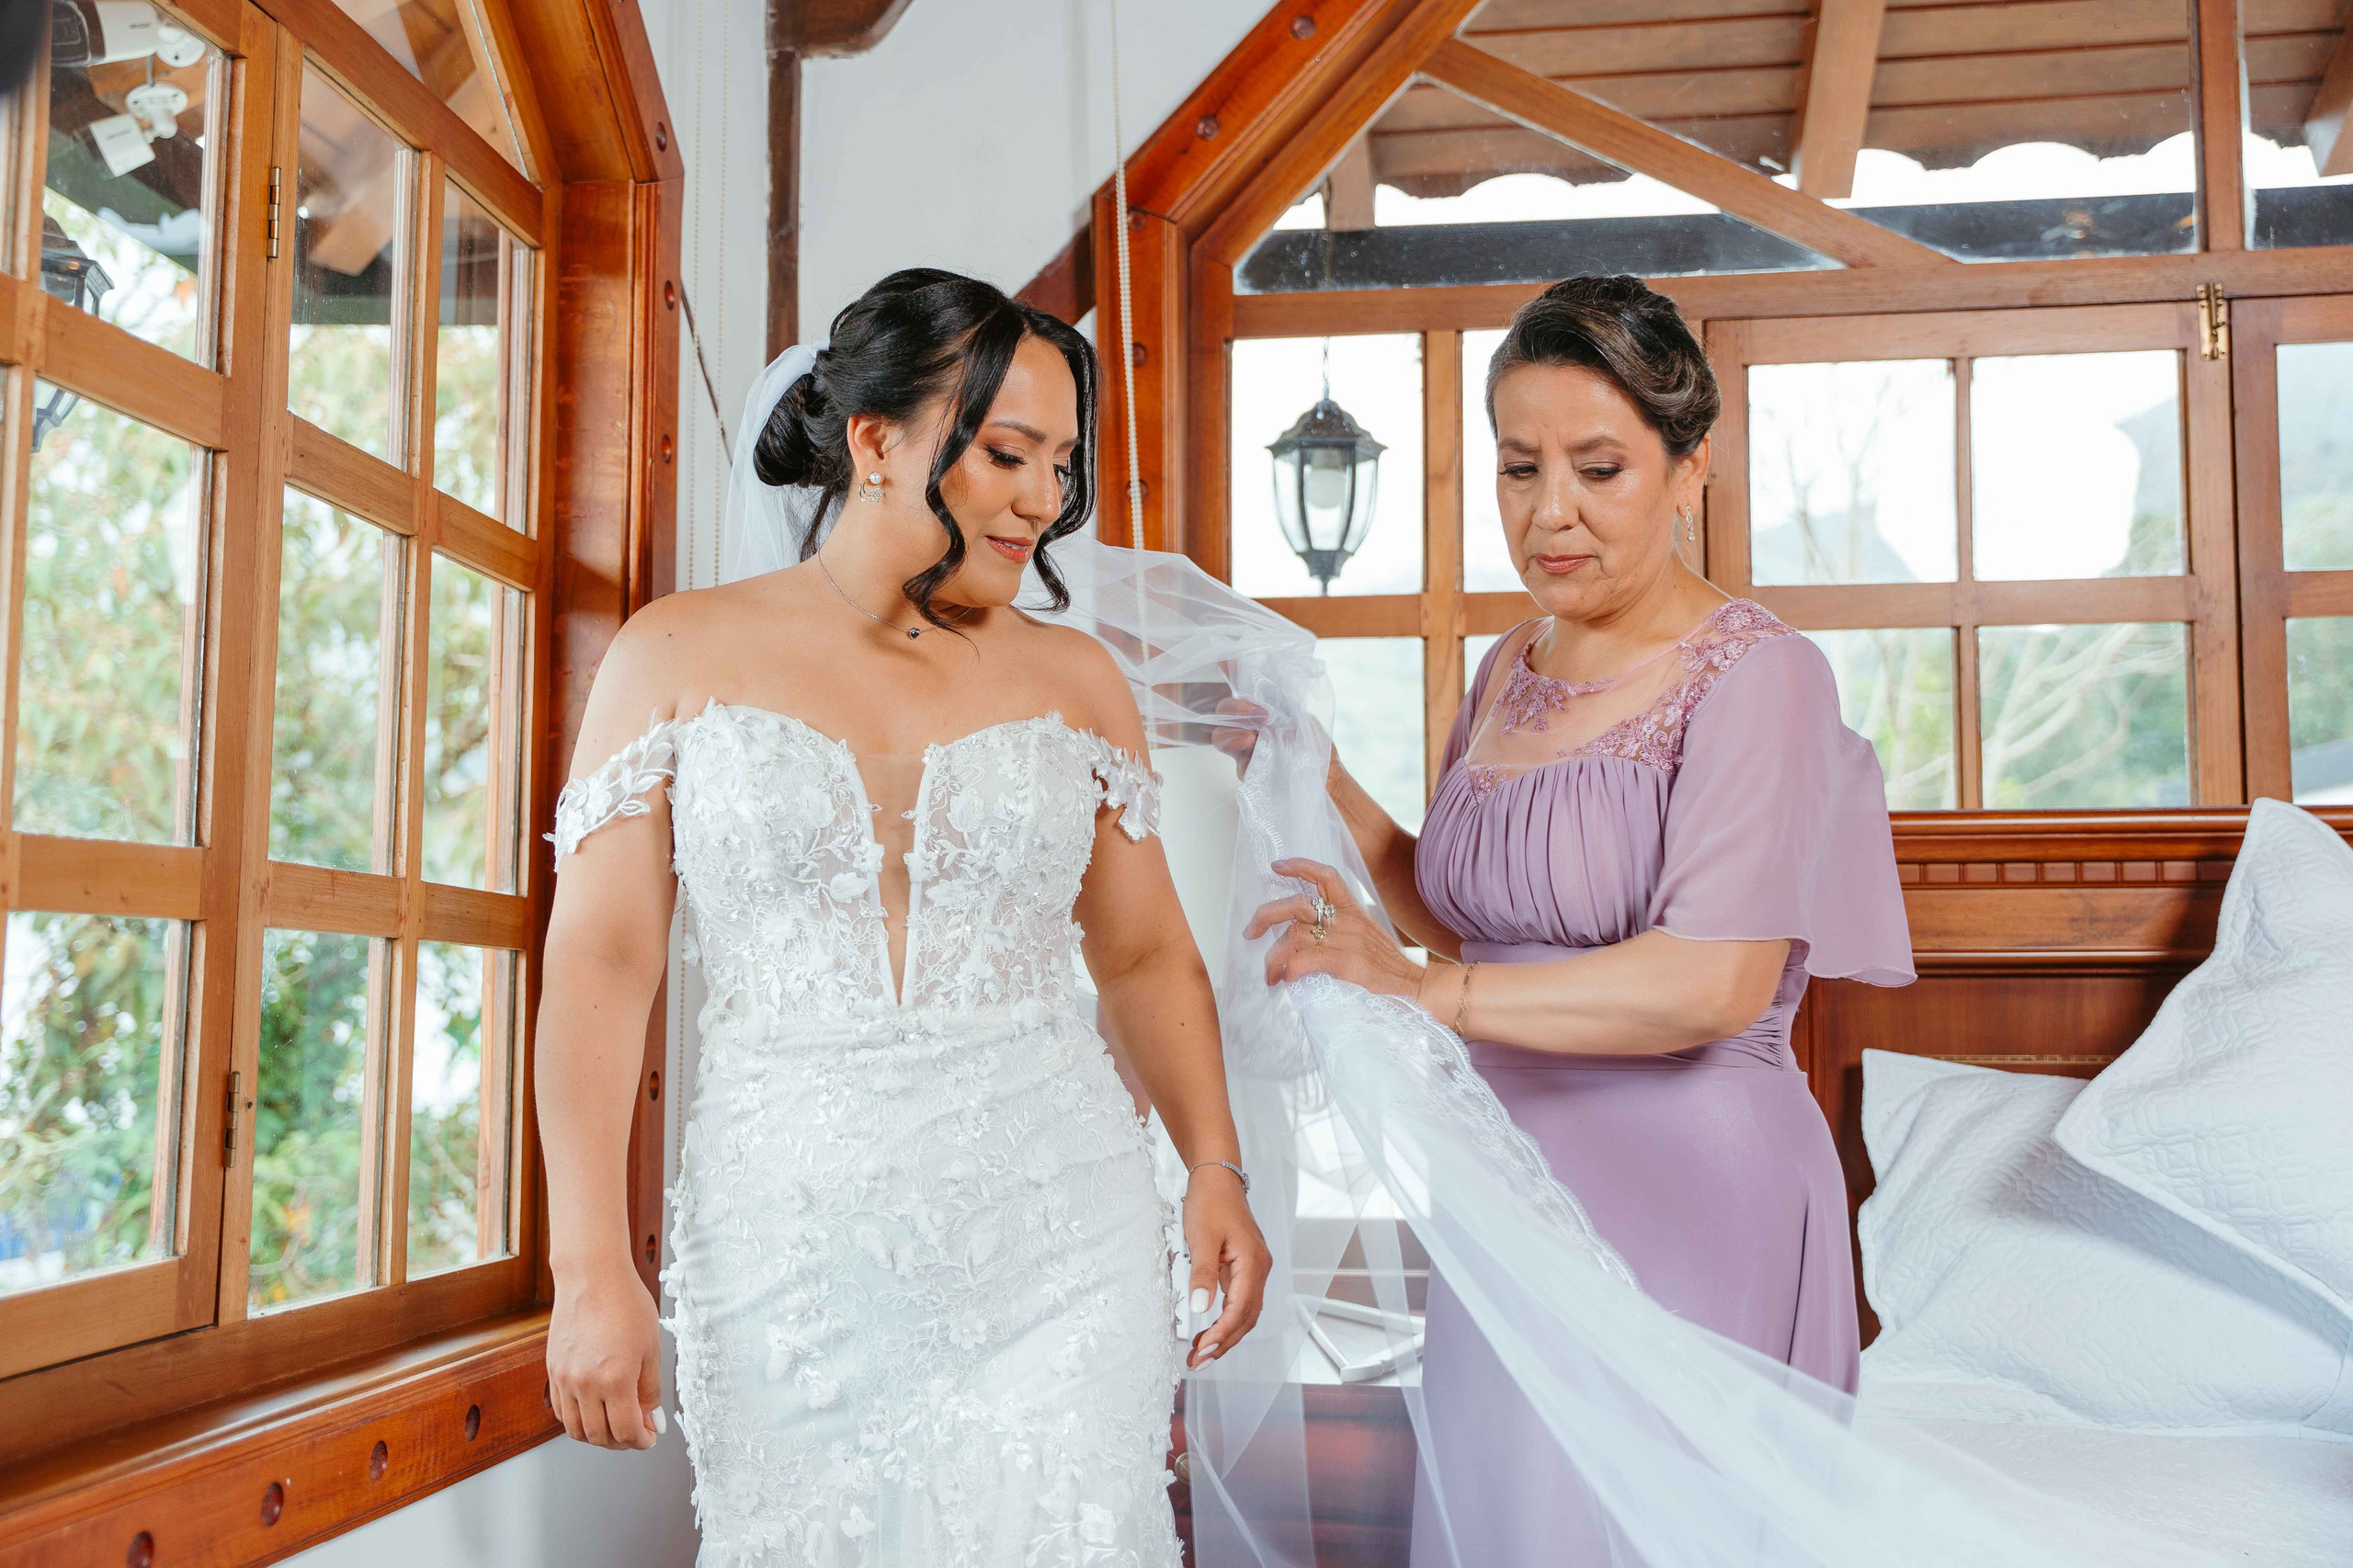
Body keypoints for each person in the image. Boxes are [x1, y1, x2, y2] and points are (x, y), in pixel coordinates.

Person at [535, 268, 1270, 1566]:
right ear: (875, 441)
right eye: (1007, 455)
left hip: (1061, 1238)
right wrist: (591, 1264)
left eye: (1061, 464)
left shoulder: (1077, 679)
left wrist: (1215, 1162)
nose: (1044, 500)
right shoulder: (673, 653)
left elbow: (1146, 950)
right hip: (788, 1246)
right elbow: (600, 962)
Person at [1232, 274, 1915, 1565]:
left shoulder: (1762, 675)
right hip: (1504, 1181)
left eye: (1599, 469)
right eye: (1519, 467)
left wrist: (1422, 991)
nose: (1552, 511)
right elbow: (1472, 907)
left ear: (1690, 468)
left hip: (1691, 1184)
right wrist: (1317, 774)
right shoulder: (1509, 664)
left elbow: (1713, 982)